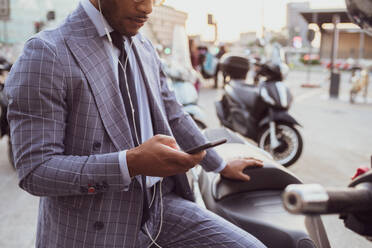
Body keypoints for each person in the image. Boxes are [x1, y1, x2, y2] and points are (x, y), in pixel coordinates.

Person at [5, 0, 266, 247]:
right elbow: (35, 171)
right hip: (93, 224)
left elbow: (172, 113)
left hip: (161, 206)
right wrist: (130, 164)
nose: (148, 8)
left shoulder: (143, 45)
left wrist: (219, 164)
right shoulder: (47, 53)